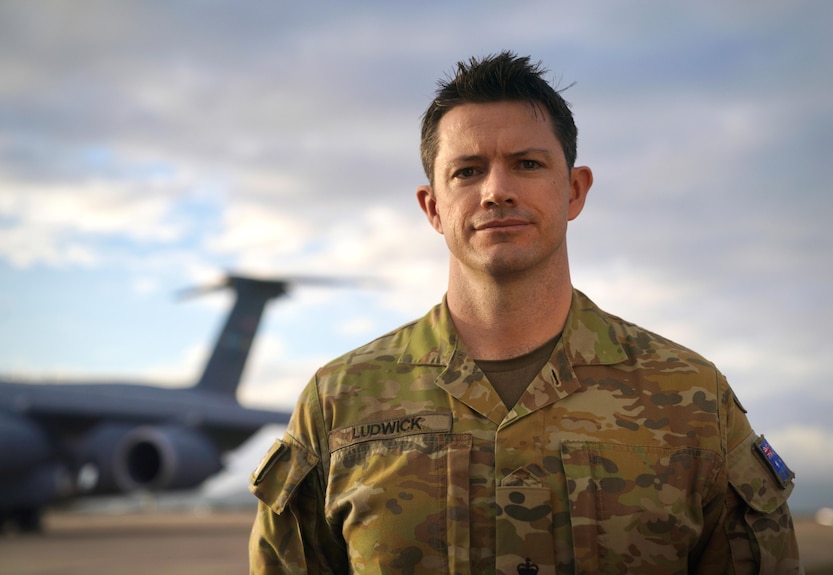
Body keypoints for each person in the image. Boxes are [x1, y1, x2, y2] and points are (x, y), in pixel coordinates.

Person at [248, 51, 801, 574]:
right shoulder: (339, 401)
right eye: (467, 171)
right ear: (432, 206)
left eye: (527, 163)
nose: (496, 191)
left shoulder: (692, 399)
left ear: (575, 191)